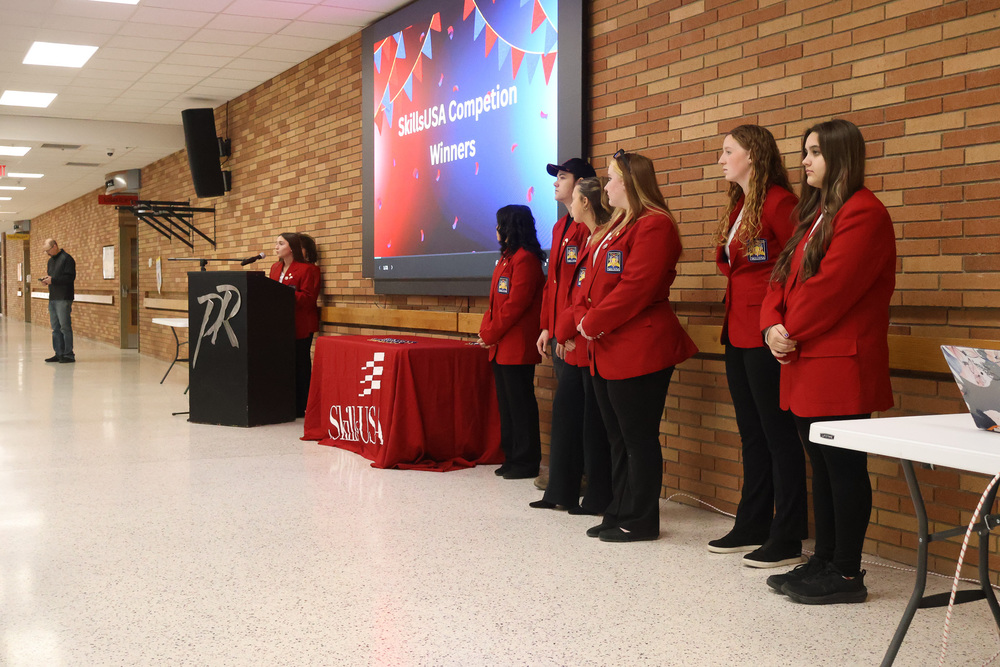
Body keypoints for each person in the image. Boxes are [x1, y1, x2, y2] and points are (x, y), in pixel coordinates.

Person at [761, 119, 896, 604]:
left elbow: (831, 290)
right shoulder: (814, 213)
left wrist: (788, 329)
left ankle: (845, 573)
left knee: (843, 469)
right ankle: (824, 558)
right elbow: (778, 279)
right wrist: (770, 326)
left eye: (815, 151)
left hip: (837, 364)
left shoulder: (864, 212)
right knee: (820, 464)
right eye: (804, 152)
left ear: (841, 155)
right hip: (804, 359)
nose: (805, 160)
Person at [575, 150, 698, 542]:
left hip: (640, 346)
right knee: (617, 437)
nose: (605, 186)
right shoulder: (620, 225)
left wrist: (591, 322)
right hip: (609, 346)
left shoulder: (655, 225)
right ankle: (618, 509)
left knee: (637, 437)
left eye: (610, 179)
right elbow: (593, 285)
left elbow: (636, 288)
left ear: (629, 182)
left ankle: (641, 518)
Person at [707, 125, 808, 569]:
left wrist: (780, 324)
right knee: (752, 433)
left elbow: (797, 267)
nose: (721, 159)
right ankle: (752, 521)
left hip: (767, 333)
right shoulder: (740, 206)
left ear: (753, 155)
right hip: (737, 330)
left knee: (777, 435)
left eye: (728, 151)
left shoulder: (780, 202)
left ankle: (787, 534)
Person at [532, 176, 614, 514]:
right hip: (569, 334)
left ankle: (594, 496)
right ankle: (560, 491)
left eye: (564, 179)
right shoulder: (565, 229)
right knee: (568, 414)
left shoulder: (596, 236)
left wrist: (565, 329)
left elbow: (585, 294)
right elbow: (558, 287)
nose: (555, 184)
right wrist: (551, 328)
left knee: (592, 421)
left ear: (585, 201)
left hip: (586, 338)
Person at [478, 205, 546, 480]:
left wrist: (491, 333)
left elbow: (516, 305)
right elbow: (495, 304)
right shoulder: (508, 258)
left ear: (510, 228)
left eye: (499, 225)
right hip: (500, 346)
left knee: (520, 404)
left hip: (516, 345)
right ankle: (512, 456)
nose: (496, 230)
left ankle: (526, 461)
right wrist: (487, 331)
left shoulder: (525, 259)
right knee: (506, 404)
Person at [268, 232, 322, 418]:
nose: (276, 247)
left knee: (300, 364)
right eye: (276, 243)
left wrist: (286, 293)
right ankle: (284, 401)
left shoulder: (306, 269)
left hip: (301, 323)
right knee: (282, 363)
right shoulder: (275, 268)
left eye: (280, 243)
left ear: (292, 247)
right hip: (280, 323)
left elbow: (308, 298)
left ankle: (302, 405)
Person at [41, 238, 76, 363]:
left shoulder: (67, 259)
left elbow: (69, 278)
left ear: (55, 246)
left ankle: (68, 354)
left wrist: (53, 280)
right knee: (55, 327)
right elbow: (53, 277)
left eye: (48, 250)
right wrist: (47, 280)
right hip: (53, 297)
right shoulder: (51, 261)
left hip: (64, 297)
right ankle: (59, 353)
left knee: (65, 327)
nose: (47, 253)